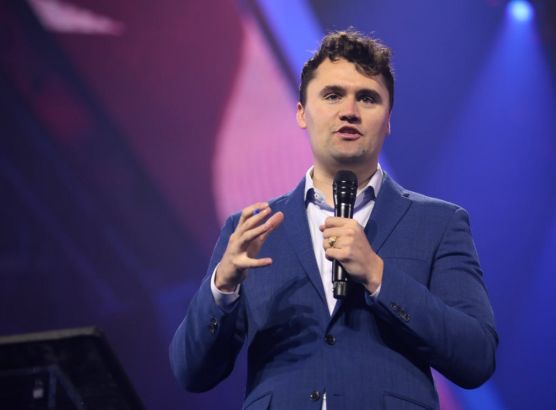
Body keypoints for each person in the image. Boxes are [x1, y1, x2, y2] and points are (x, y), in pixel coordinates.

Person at [170, 30, 498, 410]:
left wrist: (378, 275)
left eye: (368, 98)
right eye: (332, 95)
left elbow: (476, 357)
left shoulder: (439, 223)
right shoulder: (253, 230)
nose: (349, 111)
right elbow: (191, 373)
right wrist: (222, 288)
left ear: (388, 120)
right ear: (301, 113)